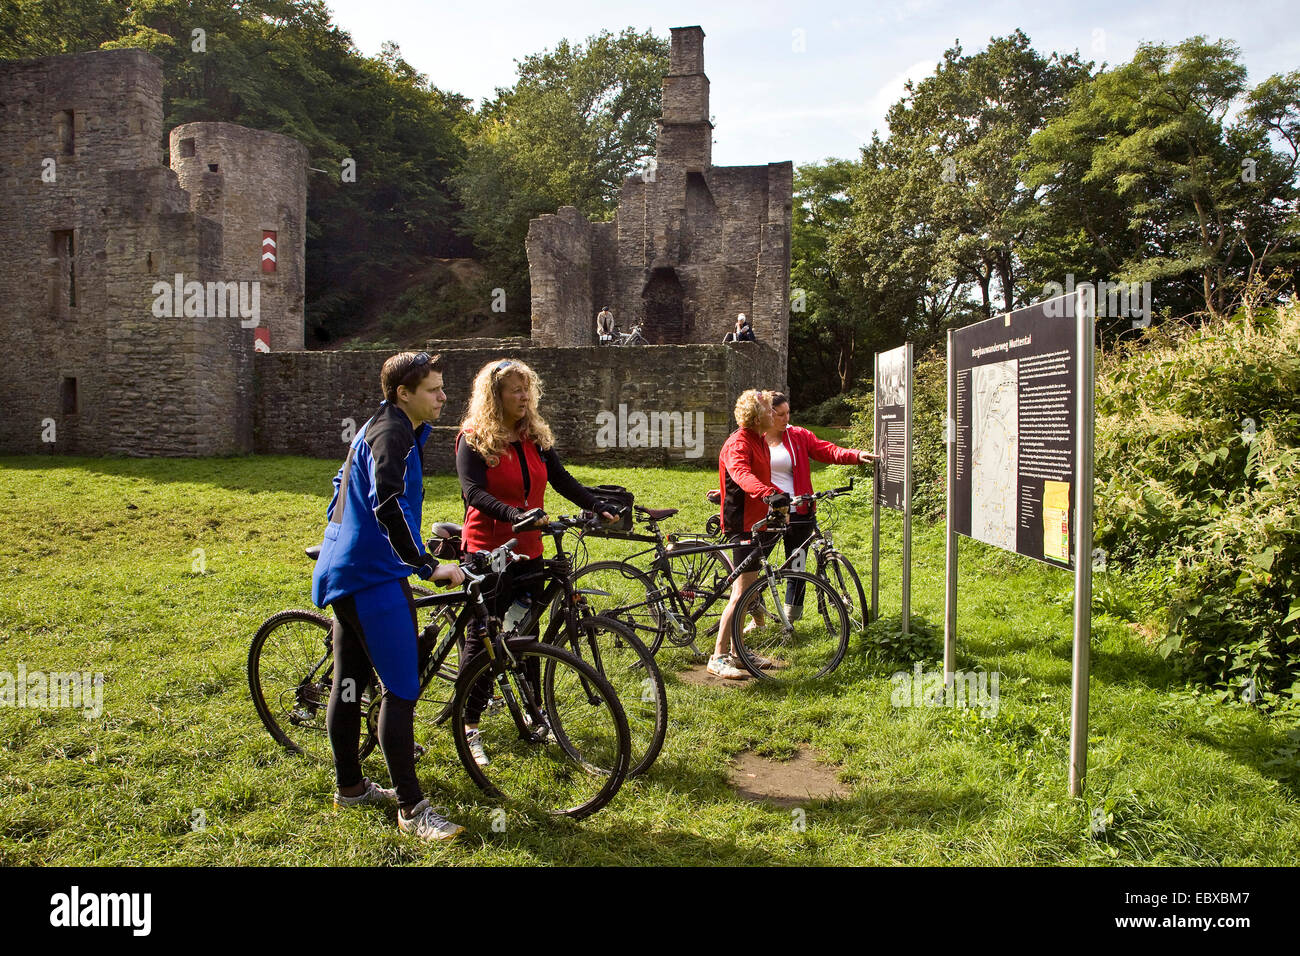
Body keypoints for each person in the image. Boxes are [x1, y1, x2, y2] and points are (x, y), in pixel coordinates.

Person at [311, 351, 467, 842]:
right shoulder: (392, 431)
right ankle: (413, 809)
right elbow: (386, 502)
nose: (444, 397)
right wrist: (427, 565)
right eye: (434, 389)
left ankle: (351, 788)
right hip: (372, 576)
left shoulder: (387, 427)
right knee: (401, 689)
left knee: (350, 680)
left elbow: (344, 484)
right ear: (404, 393)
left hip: (350, 569)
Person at [455, 358, 615, 764]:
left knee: (526, 634)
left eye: (527, 389)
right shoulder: (474, 438)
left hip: (531, 550)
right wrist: (511, 515)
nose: (524, 397)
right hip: (489, 552)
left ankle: (531, 709)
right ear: (495, 396)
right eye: (515, 390)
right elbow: (472, 492)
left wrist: (597, 504)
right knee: (484, 640)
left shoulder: (534, 437)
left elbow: (560, 479)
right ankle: (468, 724)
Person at [763, 390, 878, 620]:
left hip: (799, 511)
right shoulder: (756, 438)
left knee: (797, 567)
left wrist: (854, 455)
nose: (787, 419)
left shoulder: (799, 435)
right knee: (755, 566)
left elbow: (826, 450)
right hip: (767, 513)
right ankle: (753, 612)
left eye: (788, 413)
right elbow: (741, 468)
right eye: (781, 414)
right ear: (768, 414)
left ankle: (790, 620)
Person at [710, 389, 788, 679]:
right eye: (770, 410)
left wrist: (778, 496)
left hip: (759, 522)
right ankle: (718, 656)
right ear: (757, 417)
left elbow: (759, 477)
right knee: (741, 592)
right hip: (742, 524)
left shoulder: (759, 440)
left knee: (749, 591)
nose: (775, 414)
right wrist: (769, 494)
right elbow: (742, 475)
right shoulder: (738, 443)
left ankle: (737, 653)